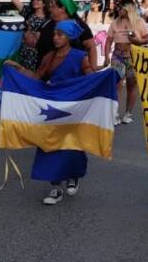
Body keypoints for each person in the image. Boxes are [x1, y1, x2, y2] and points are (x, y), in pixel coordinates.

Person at [5, 19, 96, 205]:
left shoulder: (80, 56)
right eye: (54, 34)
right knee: (49, 145)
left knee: (72, 145)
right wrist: (19, 69)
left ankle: (73, 176)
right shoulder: (49, 57)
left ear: (69, 37)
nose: (55, 38)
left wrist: (105, 76)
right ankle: (56, 188)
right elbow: (37, 78)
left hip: (73, 108)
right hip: (52, 107)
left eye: (60, 34)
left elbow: (91, 79)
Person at [104, 0, 148, 124]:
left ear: (128, 9)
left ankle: (128, 113)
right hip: (117, 56)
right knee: (116, 85)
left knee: (131, 85)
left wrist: (139, 41)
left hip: (133, 57)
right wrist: (107, 55)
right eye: (118, 7)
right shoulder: (115, 22)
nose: (118, 9)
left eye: (121, 7)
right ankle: (115, 114)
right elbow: (108, 40)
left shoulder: (139, 22)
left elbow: (147, 39)